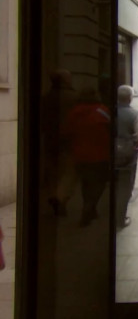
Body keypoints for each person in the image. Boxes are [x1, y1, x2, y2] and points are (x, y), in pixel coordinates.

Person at [61, 86, 111, 227]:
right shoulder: (103, 110)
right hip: (100, 153)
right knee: (99, 183)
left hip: (79, 154)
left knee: (86, 183)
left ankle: (90, 208)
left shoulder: (74, 112)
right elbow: (111, 129)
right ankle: (89, 207)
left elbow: (66, 132)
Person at [41, 69, 78, 217]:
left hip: (49, 139)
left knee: (52, 171)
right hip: (68, 140)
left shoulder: (46, 98)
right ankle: (60, 197)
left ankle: (52, 194)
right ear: (65, 81)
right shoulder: (73, 97)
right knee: (69, 171)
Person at [115, 85, 138, 229]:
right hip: (126, 156)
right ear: (130, 98)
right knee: (125, 186)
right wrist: (134, 147)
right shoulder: (134, 114)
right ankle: (121, 218)